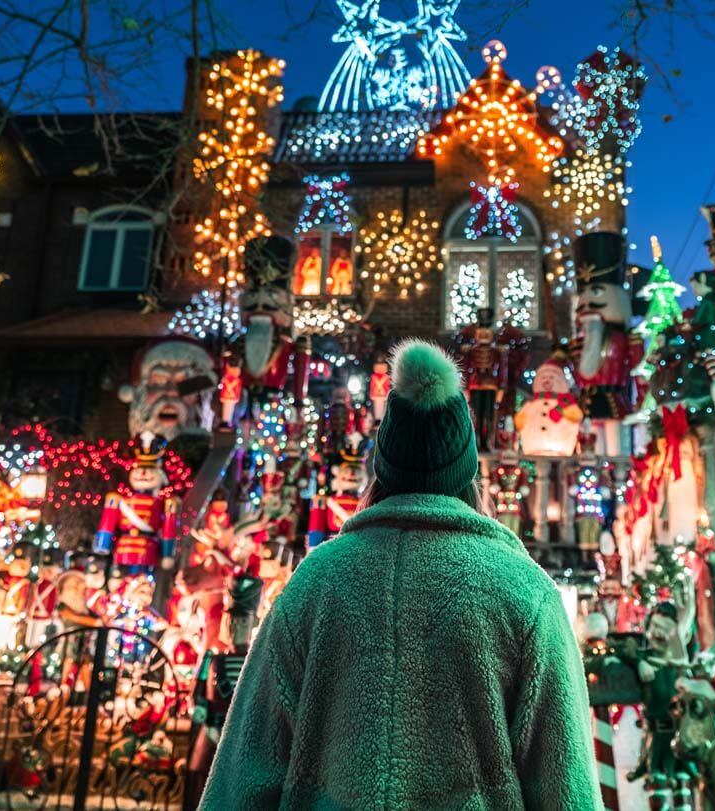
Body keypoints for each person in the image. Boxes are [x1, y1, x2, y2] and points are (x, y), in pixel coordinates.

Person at [200, 339, 602, 811]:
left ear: (382, 469)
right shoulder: (525, 593)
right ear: (468, 474)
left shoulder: (315, 583)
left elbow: (241, 778)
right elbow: (566, 789)